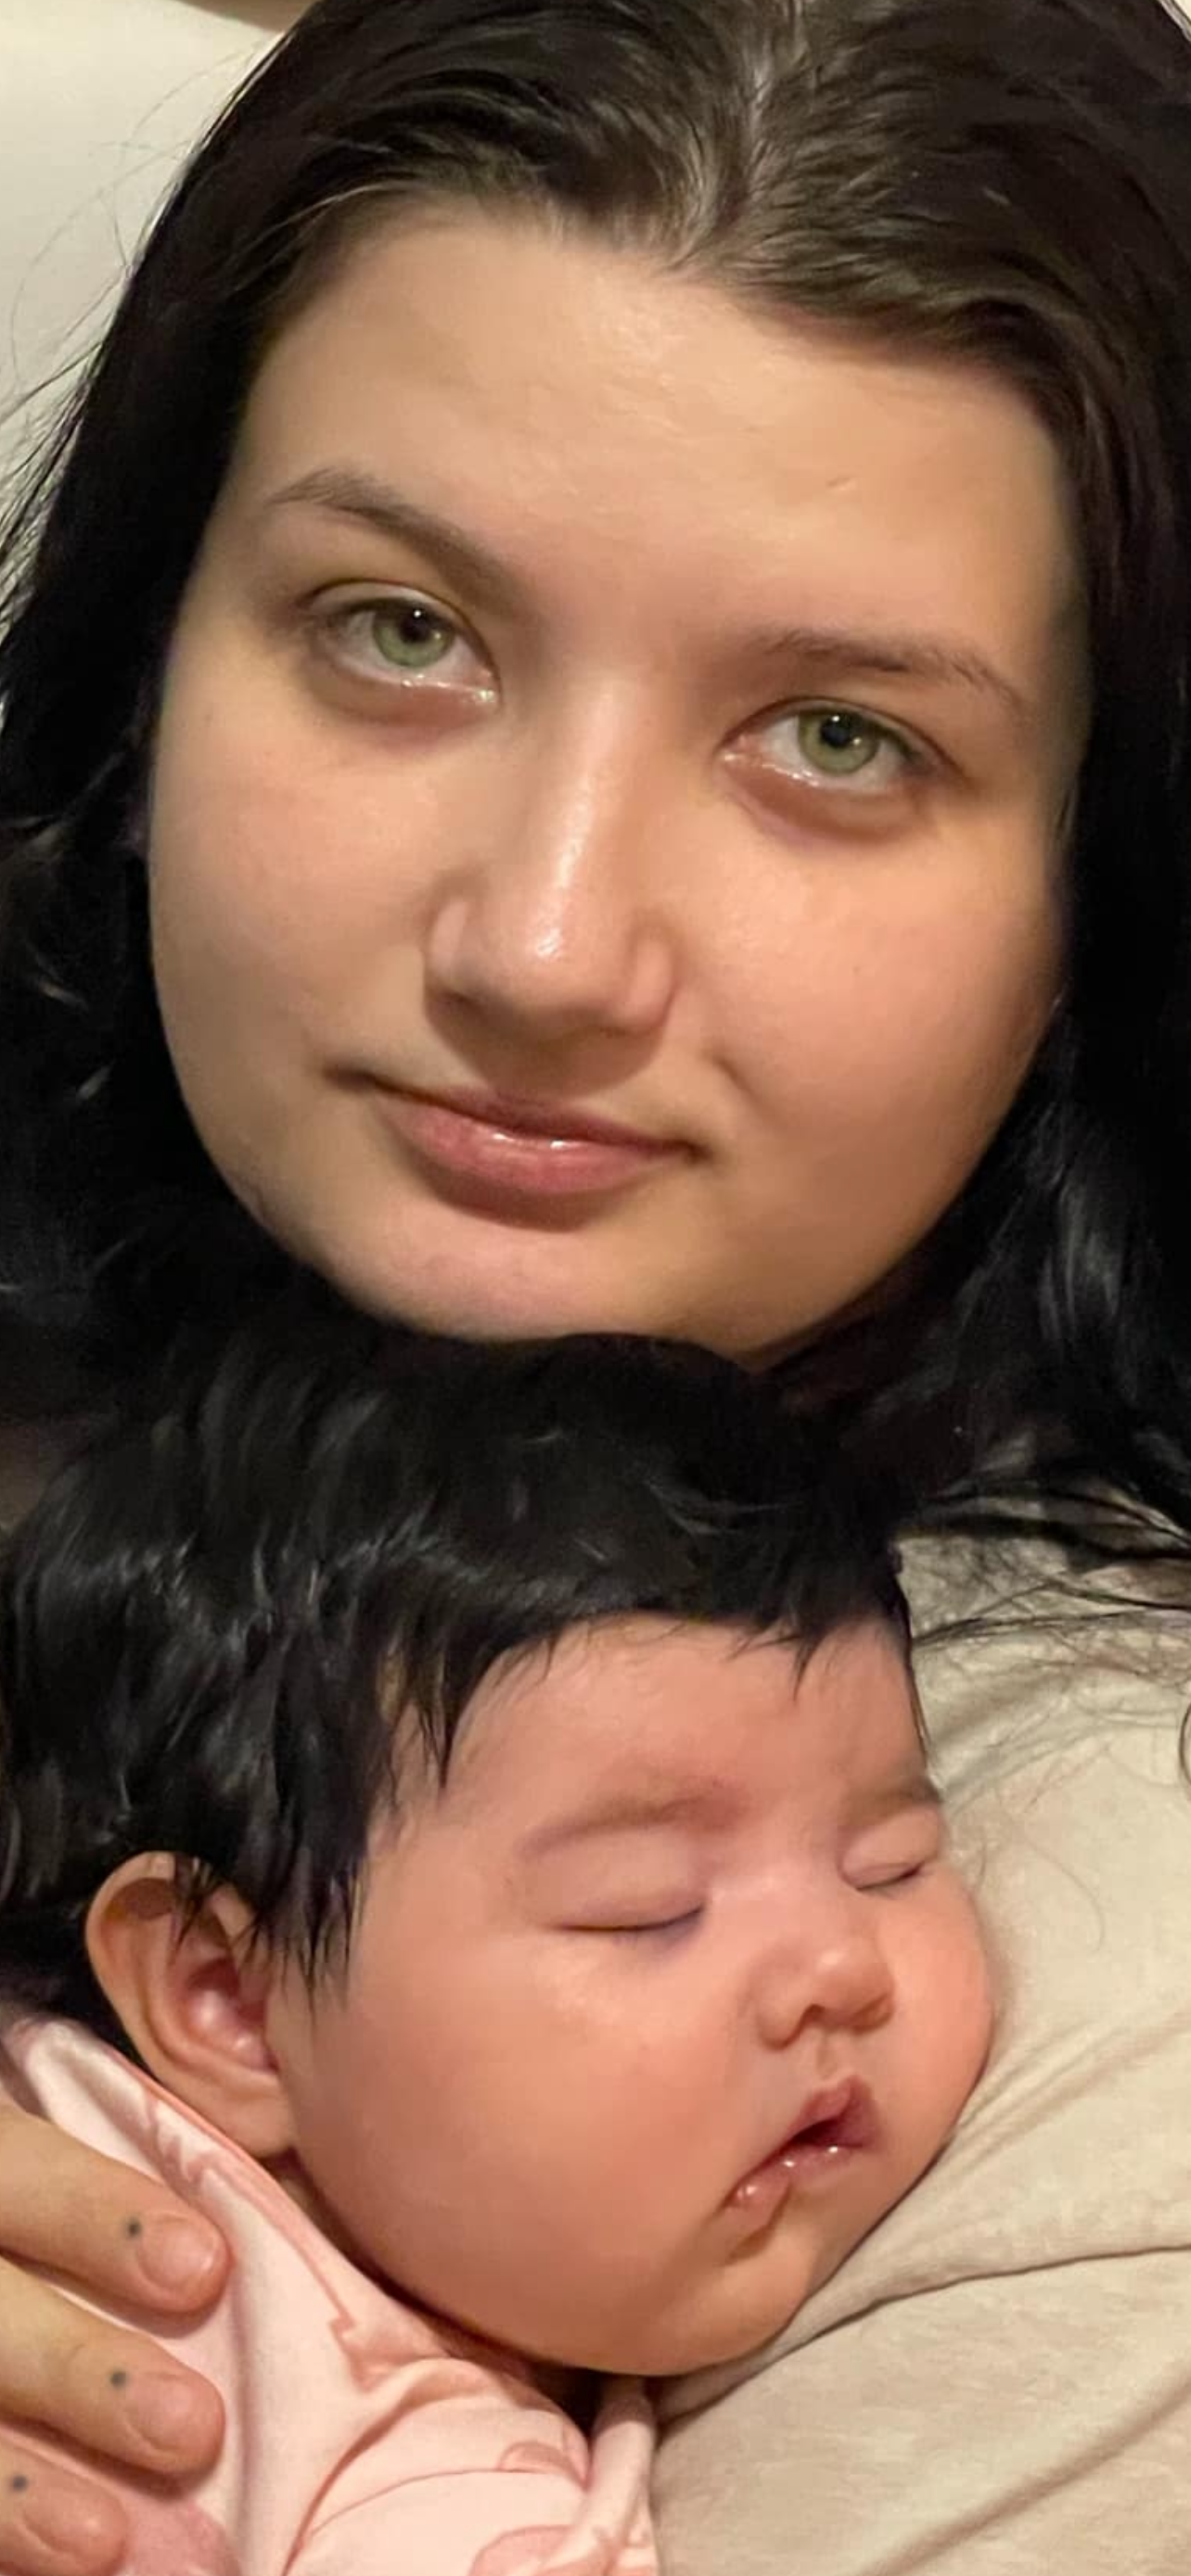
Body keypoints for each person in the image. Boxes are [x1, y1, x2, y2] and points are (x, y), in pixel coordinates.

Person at [1, 0, 1191, 2570]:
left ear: (1099, 889)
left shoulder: (1110, 1983)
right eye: (399, 628)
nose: (542, 946)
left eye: (840, 739)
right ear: (147, 656)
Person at [0, 1311, 992, 2573]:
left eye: (890, 1862)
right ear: (229, 2000)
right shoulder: (420, 2491)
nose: (840, 1968)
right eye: (646, 1907)